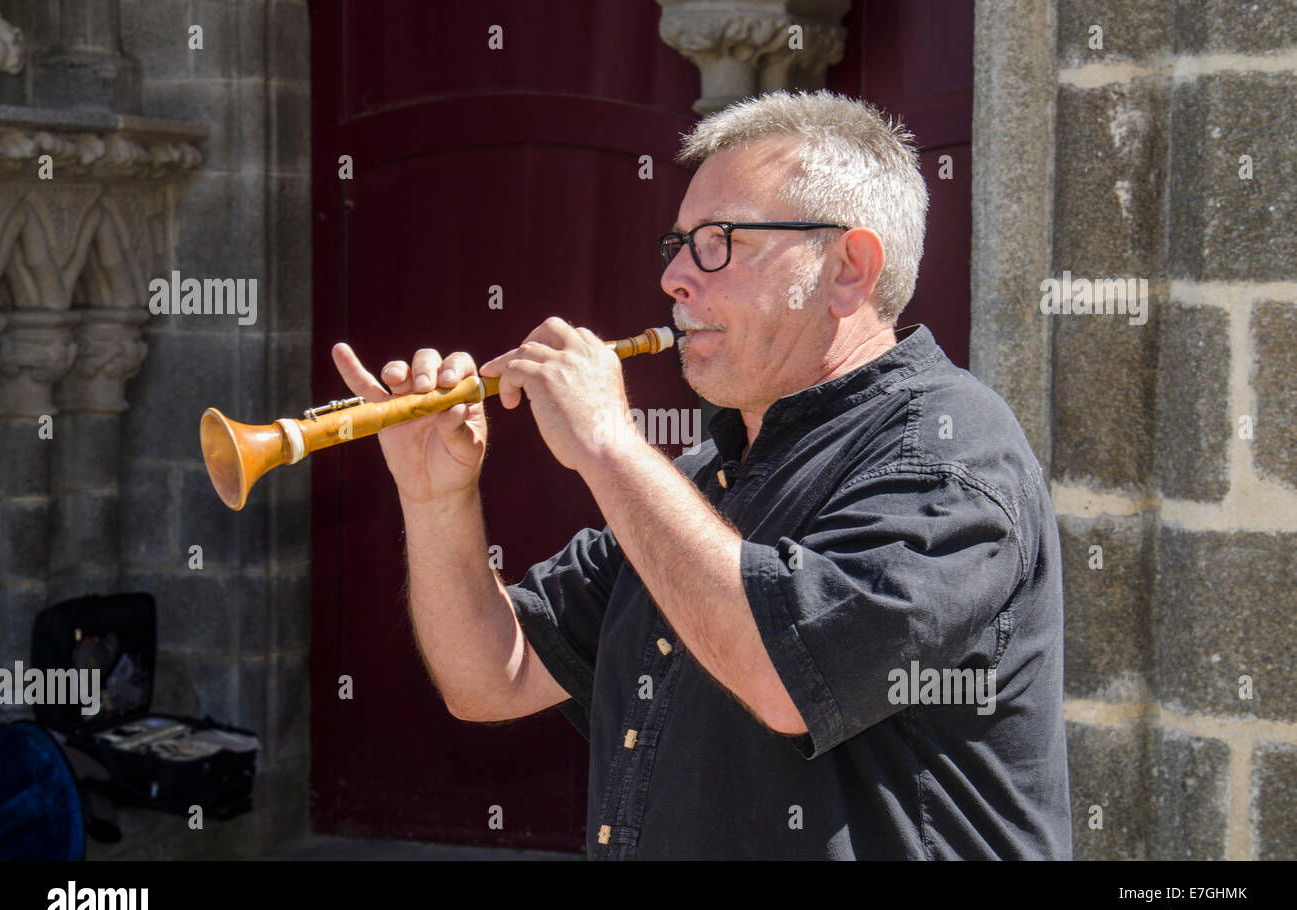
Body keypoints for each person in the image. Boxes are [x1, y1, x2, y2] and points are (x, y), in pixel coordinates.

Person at [331, 90, 1072, 860]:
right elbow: (490, 677)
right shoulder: (700, 477)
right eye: (678, 244)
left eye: (719, 241)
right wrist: (437, 497)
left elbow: (788, 679)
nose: (675, 278)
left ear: (849, 269)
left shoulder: (950, 453)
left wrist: (610, 444)